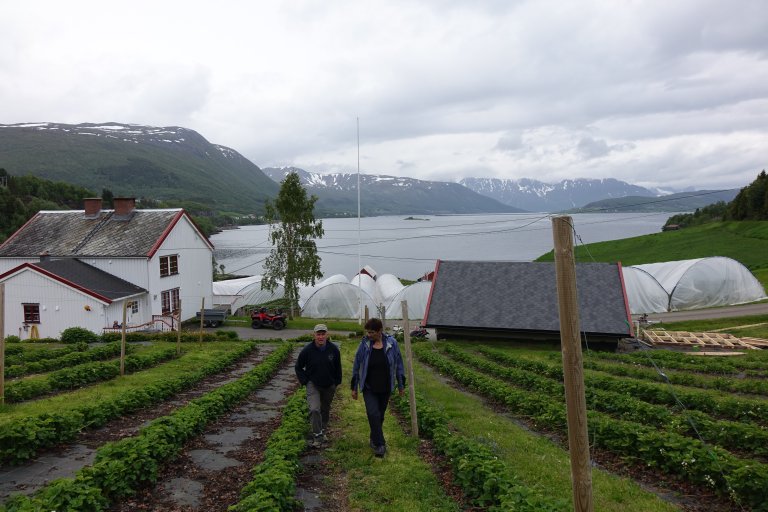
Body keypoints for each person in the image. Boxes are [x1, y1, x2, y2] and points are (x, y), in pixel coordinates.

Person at [351, 318, 406, 457]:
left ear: (380, 331)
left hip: (385, 387)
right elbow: (356, 366)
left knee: (380, 416)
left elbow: (399, 365)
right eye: (368, 332)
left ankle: (373, 438)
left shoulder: (392, 344)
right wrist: (354, 387)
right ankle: (381, 444)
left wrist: (401, 385)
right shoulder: (364, 345)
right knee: (373, 413)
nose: (369, 335)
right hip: (369, 387)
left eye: (372, 332)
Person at [295, 323, 342, 448]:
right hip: (313, 384)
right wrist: (305, 381)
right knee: (315, 409)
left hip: (329, 384)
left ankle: (322, 431)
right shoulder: (308, 350)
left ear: (327, 335)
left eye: (323, 334)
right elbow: (298, 367)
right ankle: (317, 435)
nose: (321, 337)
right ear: (314, 335)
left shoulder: (333, 349)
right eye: (318, 334)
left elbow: (338, 368)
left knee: (325, 409)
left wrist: (336, 382)